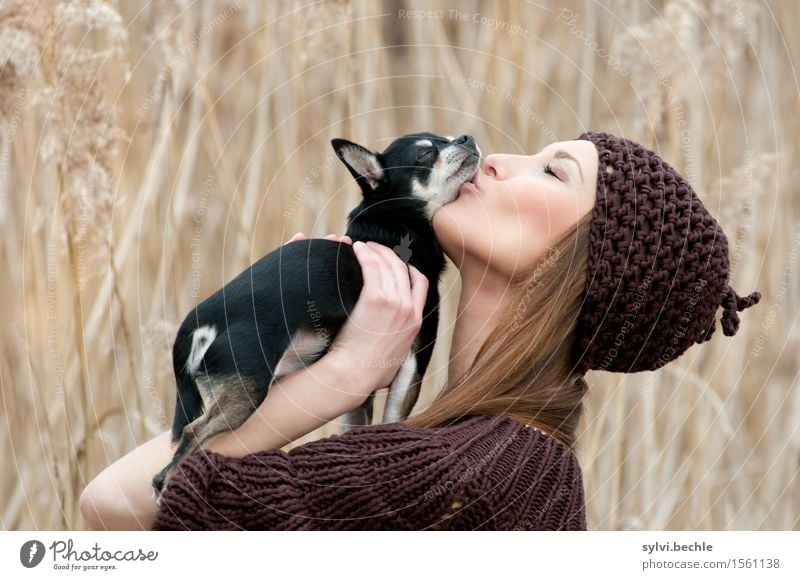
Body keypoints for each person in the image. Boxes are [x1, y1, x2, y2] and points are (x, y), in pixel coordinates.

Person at [79, 131, 761, 530]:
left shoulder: (460, 476)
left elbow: (116, 507)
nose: (496, 158)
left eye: (554, 171)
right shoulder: (524, 467)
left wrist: (342, 377)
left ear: (588, 268)